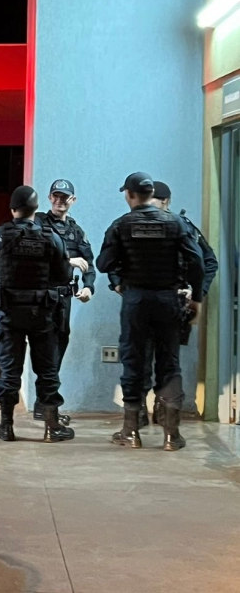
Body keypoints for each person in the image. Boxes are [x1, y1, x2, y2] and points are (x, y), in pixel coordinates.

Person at [96, 172, 204, 452]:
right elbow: (197, 261)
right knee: (169, 364)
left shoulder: (121, 225)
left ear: (130, 195)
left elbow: (104, 263)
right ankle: (171, 435)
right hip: (168, 300)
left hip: (135, 301)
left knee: (134, 362)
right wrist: (197, 298)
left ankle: (131, 432)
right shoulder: (176, 224)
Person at [0, 185, 74, 443]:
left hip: (9, 312)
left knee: (10, 369)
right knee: (47, 369)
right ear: (35, 210)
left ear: (13, 210)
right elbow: (63, 275)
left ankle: (7, 426)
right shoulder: (51, 236)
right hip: (42, 313)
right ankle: (52, 427)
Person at [140, 181, 218, 425]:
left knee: (168, 361)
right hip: (142, 304)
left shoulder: (185, 228)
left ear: (165, 202)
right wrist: (120, 286)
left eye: (152, 200)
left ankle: (165, 414)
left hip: (175, 305)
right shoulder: (135, 224)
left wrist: (197, 293)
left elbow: (209, 262)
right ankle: (139, 415)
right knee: (141, 361)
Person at [34, 179, 95, 422]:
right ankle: (46, 407)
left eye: (65, 197)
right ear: (49, 198)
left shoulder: (76, 230)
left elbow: (89, 263)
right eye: (56, 196)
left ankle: (45, 405)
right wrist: (67, 261)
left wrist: (89, 287)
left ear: (73, 200)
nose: (60, 201)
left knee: (57, 350)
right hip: (41, 297)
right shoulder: (38, 223)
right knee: (45, 352)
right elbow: (36, 252)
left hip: (64, 298)